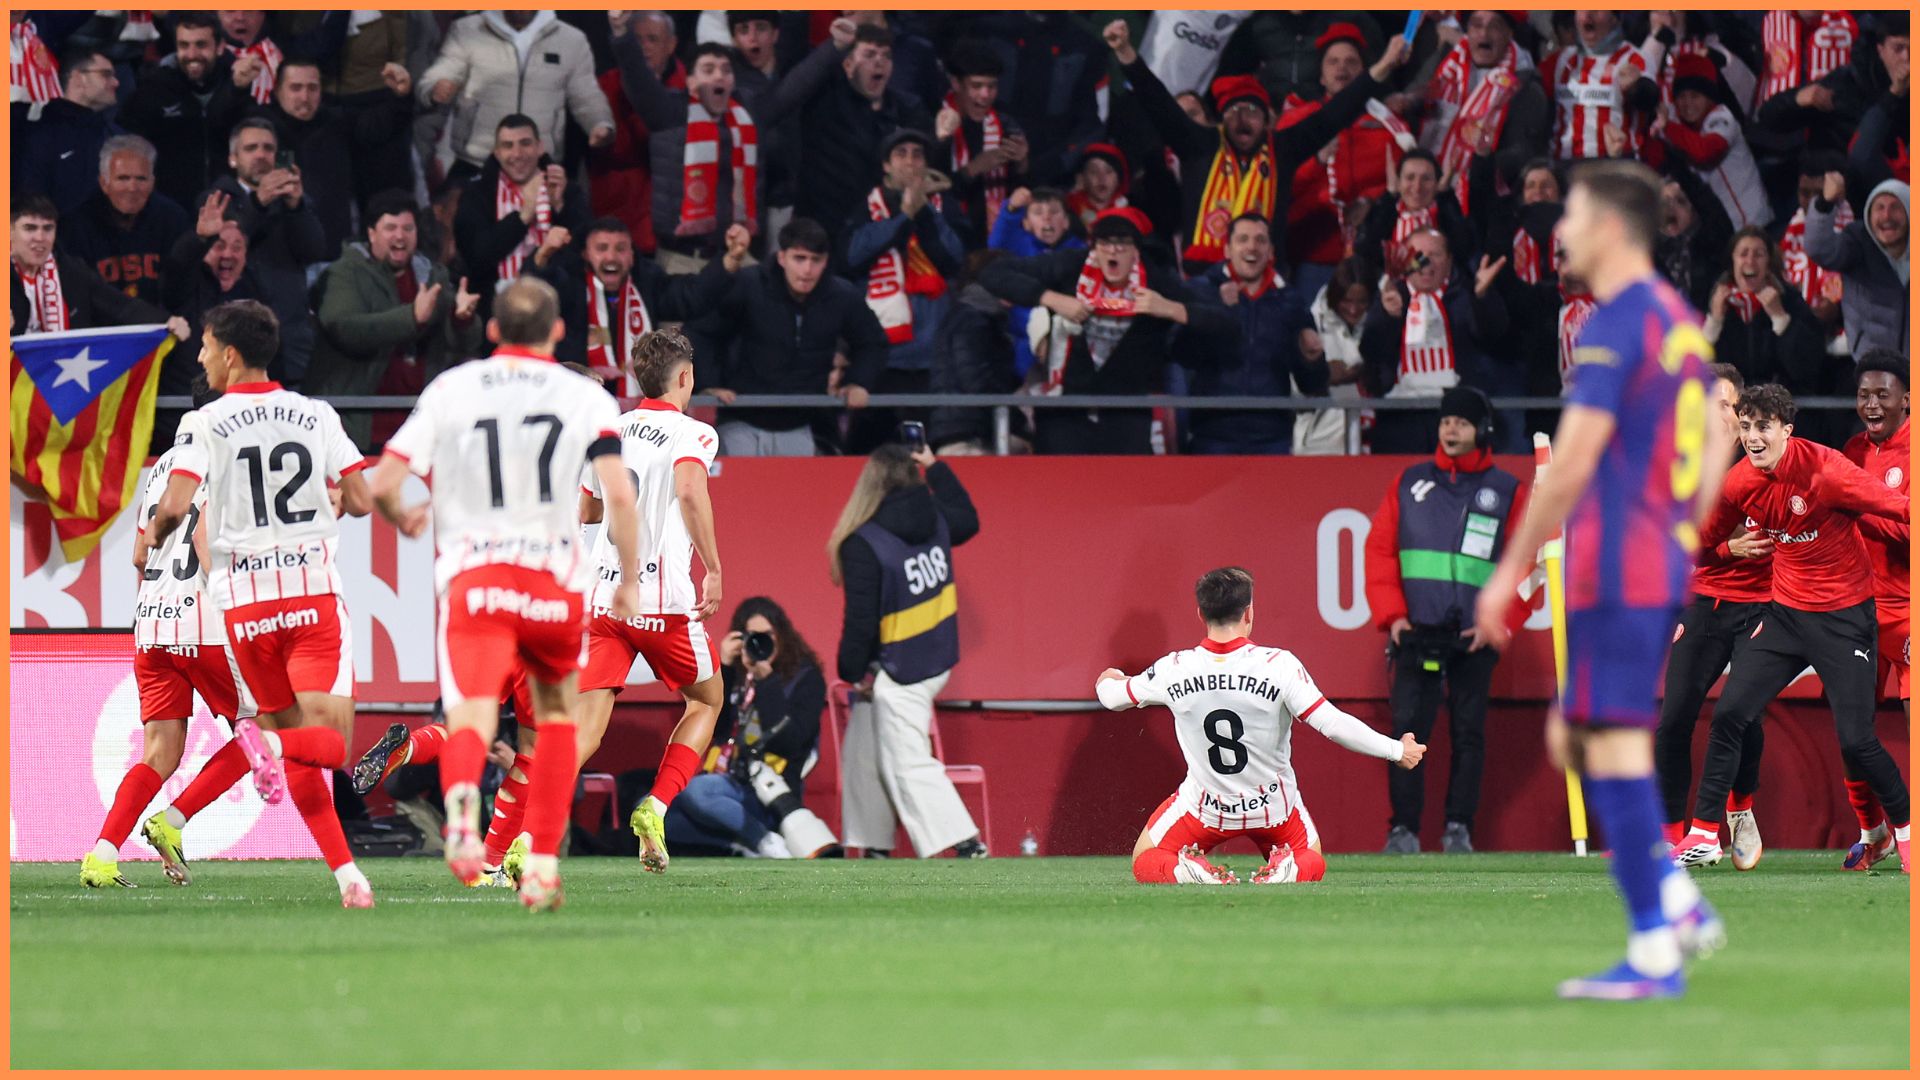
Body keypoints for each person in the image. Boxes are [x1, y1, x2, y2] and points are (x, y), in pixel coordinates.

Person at [1473, 160, 1730, 1000]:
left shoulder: (1617, 322)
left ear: (1612, 228)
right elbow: (1719, 431)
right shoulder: (1679, 322)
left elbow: (1573, 460)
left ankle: (1656, 943)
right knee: (1576, 738)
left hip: (1618, 561)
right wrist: (1682, 528)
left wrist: (1508, 574)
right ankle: (1675, 900)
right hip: (1646, 559)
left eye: (1573, 215)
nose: (1560, 229)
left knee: (1606, 741)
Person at [368, 276, 638, 910]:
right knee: (555, 724)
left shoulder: (452, 388)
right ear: (559, 331)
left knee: (470, 715)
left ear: (491, 329)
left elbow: (383, 480)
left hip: (478, 582)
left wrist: (402, 514)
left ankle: (463, 813)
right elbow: (619, 497)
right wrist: (627, 580)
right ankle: (539, 864)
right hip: (553, 586)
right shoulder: (586, 396)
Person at [143, 300, 378, 908]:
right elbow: (360, 498)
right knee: (327, 744)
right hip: (310, 600)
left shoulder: (204, 423)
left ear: (229, 354)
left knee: (290, 741)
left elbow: (175, 507)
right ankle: (264, 748)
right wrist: (333, 498)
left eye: (204, 346)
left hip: (246, 612)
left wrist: (149, 540)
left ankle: (348, 878)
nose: (199, 357)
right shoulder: (315, 415)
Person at [1676, 384, 1911, 871]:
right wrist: (1718, 549)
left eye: (1763, 427)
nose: (1752, 437)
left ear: (1787, 430)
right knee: (1729, 714)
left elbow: (1900, 507)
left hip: (1845, 620)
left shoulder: (1827, 472)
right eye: (1746, 427)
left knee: (1856, 741)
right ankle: (1703, 835)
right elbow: (1700, 543)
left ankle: (1905, 833)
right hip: (1785, 616)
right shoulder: (1740, 483)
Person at [1097, 567, 1427, 885]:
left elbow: (1111, 698)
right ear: (1248, 612)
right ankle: (1288, 868)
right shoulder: (1279, 665)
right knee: (1312, 860)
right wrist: (1396, 750)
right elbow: (1332, 723)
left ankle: (1186, 872)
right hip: (1274, 810)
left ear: (1201, 614)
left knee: (1147, 859)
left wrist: (1108, 679)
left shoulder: (1175, 668)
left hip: (1206, 809)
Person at [80, 415, 258, 888]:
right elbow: (204, 538)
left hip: (152, 622)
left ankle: (102, 856)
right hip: (205, 622)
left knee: (158, 753)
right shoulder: (224, 455)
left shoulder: (162, 468)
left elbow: (139, 555)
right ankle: (172, 820)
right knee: (267, 730)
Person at [574, 328, 726, 874]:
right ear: (685, 377)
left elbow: (588, 511)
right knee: (706, 701)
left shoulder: (610, 430)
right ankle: (656, 806)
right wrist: (713, 569)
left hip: (606, 599)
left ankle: (525, 830)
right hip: (662, 601)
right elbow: (689, 491)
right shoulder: (694, 433)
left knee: (584, 731)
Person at [1105, 18, 1411, 272]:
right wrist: (1126, 52)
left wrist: (1384, 65)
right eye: (1235, 112)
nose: (1243, 119)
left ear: (1266, 121)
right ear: (1222, 119)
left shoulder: (1283, 149)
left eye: (1252, 111)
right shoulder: (1200, 145)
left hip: (1267, 285)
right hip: (1205, 280)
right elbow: (1157, 102)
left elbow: (1337, 112)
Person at [1366, 387, 1528, 854]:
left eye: (1461, 422)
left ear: (1483, 430)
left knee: (1468, 736)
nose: (1451, 429)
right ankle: (1403, 831)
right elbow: (1379, 552)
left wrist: (1498, 623)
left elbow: (1526, 566)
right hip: (1415, 635)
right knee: (1405, 734)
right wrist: (1394, 617)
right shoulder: (1410, 482)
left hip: (1474, 639)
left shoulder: (1507, 491)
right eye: (1445, 421)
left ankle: (1459, 828)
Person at [831, 443, 984, 859]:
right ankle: (873, 843)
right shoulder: (935, 517)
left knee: (907, 759)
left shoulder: (863, 541)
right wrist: (936, 468)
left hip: (903, 666)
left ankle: (965, 842)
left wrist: (853, 671)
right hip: (937, 654)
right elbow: (969, 519)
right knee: (864, 739)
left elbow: (861, 622)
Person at [608, 11, 853, 272]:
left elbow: (795, 86)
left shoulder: (750, 113)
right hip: (682, 261)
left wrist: (835, 46)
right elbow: (637, 78)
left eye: (726, 70)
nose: (719, 76)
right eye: (708, 69)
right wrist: (621, 34)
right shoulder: (670, 112)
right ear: (690, 81)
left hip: (740, 256)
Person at [976, 207, 1233, 454]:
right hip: (1064, 411)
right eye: (1105, 244)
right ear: (1094, 248)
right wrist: (1052, 299)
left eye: (1122, 244)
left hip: (1126, 414)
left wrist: (1172, 309)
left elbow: (1225, 323)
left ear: (1136, 251)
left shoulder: (1155, 282)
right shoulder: (1071, 265)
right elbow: (993, 273)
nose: (1113, 251)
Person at [1651, 365, 1771, 866]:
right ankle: (1669, 836)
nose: (1716, 416)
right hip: (1703, 599)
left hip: (1762, 601)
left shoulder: (1766, 457)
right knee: (1674, 718)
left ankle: (1739, 810)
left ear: (1742, 411)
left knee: (1742, 714)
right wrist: (1725, 548)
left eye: (1725, 405)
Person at [693, 217, 889, 457]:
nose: (807, 270)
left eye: (815, 260)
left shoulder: (842, 295)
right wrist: (707, 384)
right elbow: (701, 330)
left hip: (806, 423)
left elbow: (873, 342)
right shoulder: (747, 284)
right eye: (799, 258)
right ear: (782, 257)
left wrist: (858, 382)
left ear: (826, 261)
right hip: (741, 417)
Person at [309, 191, 484, 452]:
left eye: (407, 228)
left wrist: (463, 320)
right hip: (361, 427)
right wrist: (411, 318)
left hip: (421, 427)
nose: (400, 236)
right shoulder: (344, 274)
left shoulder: (432, 276)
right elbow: (343, 328)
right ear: (371, 234)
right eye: (390, 228)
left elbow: (465, 344)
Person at [663, 597, 836, 859]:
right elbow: (715, 728)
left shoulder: (805, 678)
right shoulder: (738, 675)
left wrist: (767, 681)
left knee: (698, 791)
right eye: (751, 637)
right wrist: (723, 668)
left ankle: (764, 840)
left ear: (782, 636)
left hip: (768, 791)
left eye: (767, 636)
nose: (759, 643)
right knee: (652, 810)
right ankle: (743, 844)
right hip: (727, 782)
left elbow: (790, 742)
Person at [843, 128, 967, 453]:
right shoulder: (866, 207)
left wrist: (923, 211)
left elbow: (953, 259)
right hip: (882, 354)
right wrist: (904, 217)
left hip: (931, 356)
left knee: (925, 452)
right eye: (901, 154)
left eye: (918, 155)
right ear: (886, 165)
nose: (911, 162)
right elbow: (855, 255)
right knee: (868, 453)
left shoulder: (943, 206)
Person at [1837, 352, 1911, 869]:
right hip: (1858, 611)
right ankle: (1875, 832)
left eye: (1883, 394)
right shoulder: (1852, 451)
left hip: (1908, 611)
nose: (1872, 405)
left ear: (1907, 398)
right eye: (1864, 395)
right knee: (1852, 733)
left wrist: (1859, 511)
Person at [541, 217, 747, 391]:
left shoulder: (647, 281)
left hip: (638, 410)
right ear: (586, 254)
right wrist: (544, 254)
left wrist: (731, 258)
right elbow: (535, 298)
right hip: (578, 401)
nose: (611, 257)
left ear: (631, 256)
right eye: (602, 248)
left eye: (620, 249)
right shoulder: (567, 285)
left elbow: (691, 295)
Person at [198, 118, 328, 386]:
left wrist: (296, 207)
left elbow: (314, 250)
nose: (261, 155)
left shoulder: (293, 201)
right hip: (235, 339)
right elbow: (228, 239)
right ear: (233, 159)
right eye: (251, 148)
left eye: (268, 148)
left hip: (289, 336)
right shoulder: (217, 201)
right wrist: (258, 202)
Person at [1359, 228, 1512, 454]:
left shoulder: (1466, 294)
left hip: (1456, 414)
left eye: (1435, 254)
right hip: (1400, 416)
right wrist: (1386, 316)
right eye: (1418, 254)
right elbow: (1370, 352)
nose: (1426, 262)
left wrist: (1482, 298)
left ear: (1449, 261)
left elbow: (1494, 335)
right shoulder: (1390, 296)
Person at [1183, 212, 1322, 454]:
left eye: (1260, 240)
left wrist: (1311, 359)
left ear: (1270, 251)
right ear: (1227, 250)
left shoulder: (1291, 301)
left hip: (1272, 439)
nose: (1252, 247)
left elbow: (1312, 384)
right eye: (1243, 239)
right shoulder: (1202, 291)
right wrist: (1218, 310)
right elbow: (1181, 354)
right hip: (1212, 435)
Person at [417, 10, 613, 183]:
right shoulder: (467, 30)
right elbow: (443, 71)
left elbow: (586, 93)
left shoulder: (572, 40)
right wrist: (434, 88)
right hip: (477, 163)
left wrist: (599, 123)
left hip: (540, 166)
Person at [793, 23, 935, 249]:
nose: (879, 61)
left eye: (886, 56)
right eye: (869, 54)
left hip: (880, 228)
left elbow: (928, 159)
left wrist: (943, 136)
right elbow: (796, 78)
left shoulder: (907, 108)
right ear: (848, 65)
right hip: (825, 230)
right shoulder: (824, 101)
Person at [452, 114, 591, 303]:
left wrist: (559, 207)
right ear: (497, 153)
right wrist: (523, 217)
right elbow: (477, 256)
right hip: (495, 307)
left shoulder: (567, 190)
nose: (517, 154)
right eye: (508, 146)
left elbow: (584, 252)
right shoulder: (477, 194)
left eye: (525, 143)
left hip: (556, 304)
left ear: (539, 147)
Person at [119, 13, 250, 212]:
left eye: (201, 45)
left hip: (229, 209)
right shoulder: (153, 90)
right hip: (170, 211)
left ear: (220, 47)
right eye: (184, 45)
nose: (192, 54)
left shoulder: (238, 85)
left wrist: (236, 91)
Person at [1417, 11, 1550, 206]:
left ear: (1509, 33)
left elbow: (1523, 153)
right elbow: (1417, 93)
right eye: (1476, 25)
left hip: (1484, 197)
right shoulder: (1446, 62)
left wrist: (1476, 166)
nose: (1484, 34)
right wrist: (1409, 101)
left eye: (1494, 27)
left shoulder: (1526, 87)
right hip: (1427, 182)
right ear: (1467, 31)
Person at [9, 194, 184, 339]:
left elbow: (121, 306)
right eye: (30, 228)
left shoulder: (71, 271)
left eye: (48, 229)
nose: (40, 238)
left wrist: (166, 321)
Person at [57, 135, 190, 310]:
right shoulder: (75, 226)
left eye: (141, 179)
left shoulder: (174, 219)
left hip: (163, 322)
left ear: (152, 183)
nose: (132, 188)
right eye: (123, 178)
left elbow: (182, 288)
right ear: (104, 183)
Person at [1641, 53, 1770, 231]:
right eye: (1681, 97)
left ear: (1709, 97)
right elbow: (1656, 162)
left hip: (1756, 225)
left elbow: (1706, 151)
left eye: (1695, 96)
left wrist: (1667, 127)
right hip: (1722, 230)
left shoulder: (1722, 116)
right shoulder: (1682, 130)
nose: (1687, 104)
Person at [1703, 227, 1825, 399]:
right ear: (1732, 262)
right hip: (1728, 406)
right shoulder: (1712, 300)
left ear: (1769, 264)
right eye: (1743, 254)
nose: (1750, 261)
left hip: (1778, 407)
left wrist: (1780, 318)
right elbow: (1694, 369)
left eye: (1759, 254)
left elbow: (1807, 368)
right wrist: (1714, 322)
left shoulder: (1790, 300)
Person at [1805, 172, 1909, 359]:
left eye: (1895, 207)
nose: (1887, 216)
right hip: (1870, 363)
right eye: (1880, 208)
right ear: (1869, 214)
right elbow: (1819, 249)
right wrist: (1825, 203)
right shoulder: (1857, 242)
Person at [986, 186, 1084, 381]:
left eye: (1054, 212)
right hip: (1022, 343)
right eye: (1038, 213)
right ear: (1026, 223)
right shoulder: (1018, 245)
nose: (1047, 218)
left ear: (1066, 221)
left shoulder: (1080, 252)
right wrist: (1011, 209)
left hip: (1067, 343)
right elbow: (996, 244)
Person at [934, 39, 1028, 242]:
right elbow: (931, 190)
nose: (985, 95)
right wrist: (974, 168)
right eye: (976, 86)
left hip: (995, 238)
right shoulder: (935, 122)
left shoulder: (1005, 124)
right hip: (949, 238)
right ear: (956, 84)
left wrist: (1021, 162)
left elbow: (1021, 189)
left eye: (991, 86)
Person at [12, 44, 122, 216]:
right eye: (106, 75)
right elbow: (29, 196)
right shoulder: (40, 133)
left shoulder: (116, 136)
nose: (116, 82)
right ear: (78, 78)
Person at [1542, 11, 1656, 162]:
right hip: (1564, 166)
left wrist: (1637, 87)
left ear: (1614, 19)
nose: (1587, 15)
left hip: (1614, 164)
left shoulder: (1634, 59)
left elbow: (1651, 101)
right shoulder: (1561, 60)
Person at [1355, 149, 1476, 281]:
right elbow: (1364, 251)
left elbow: (1464, 250)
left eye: (1426, 179)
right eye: (1410, 178)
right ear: (1399, 182)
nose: (1417, 187)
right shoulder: (1387, 214)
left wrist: (1445, 194)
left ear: (1436, 184)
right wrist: (1389, 196)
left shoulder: (1446, 214)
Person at [1293, 256, 1373, 454]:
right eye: (1347, 301)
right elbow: (1291, 389)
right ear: (1335, 295)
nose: (1354, 309)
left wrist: (1361, 371)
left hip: (1367, 441)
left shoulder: (1378, 324)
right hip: (1319, 444)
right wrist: (1321, 373)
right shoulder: (1310, 324)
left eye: (1362, 302)